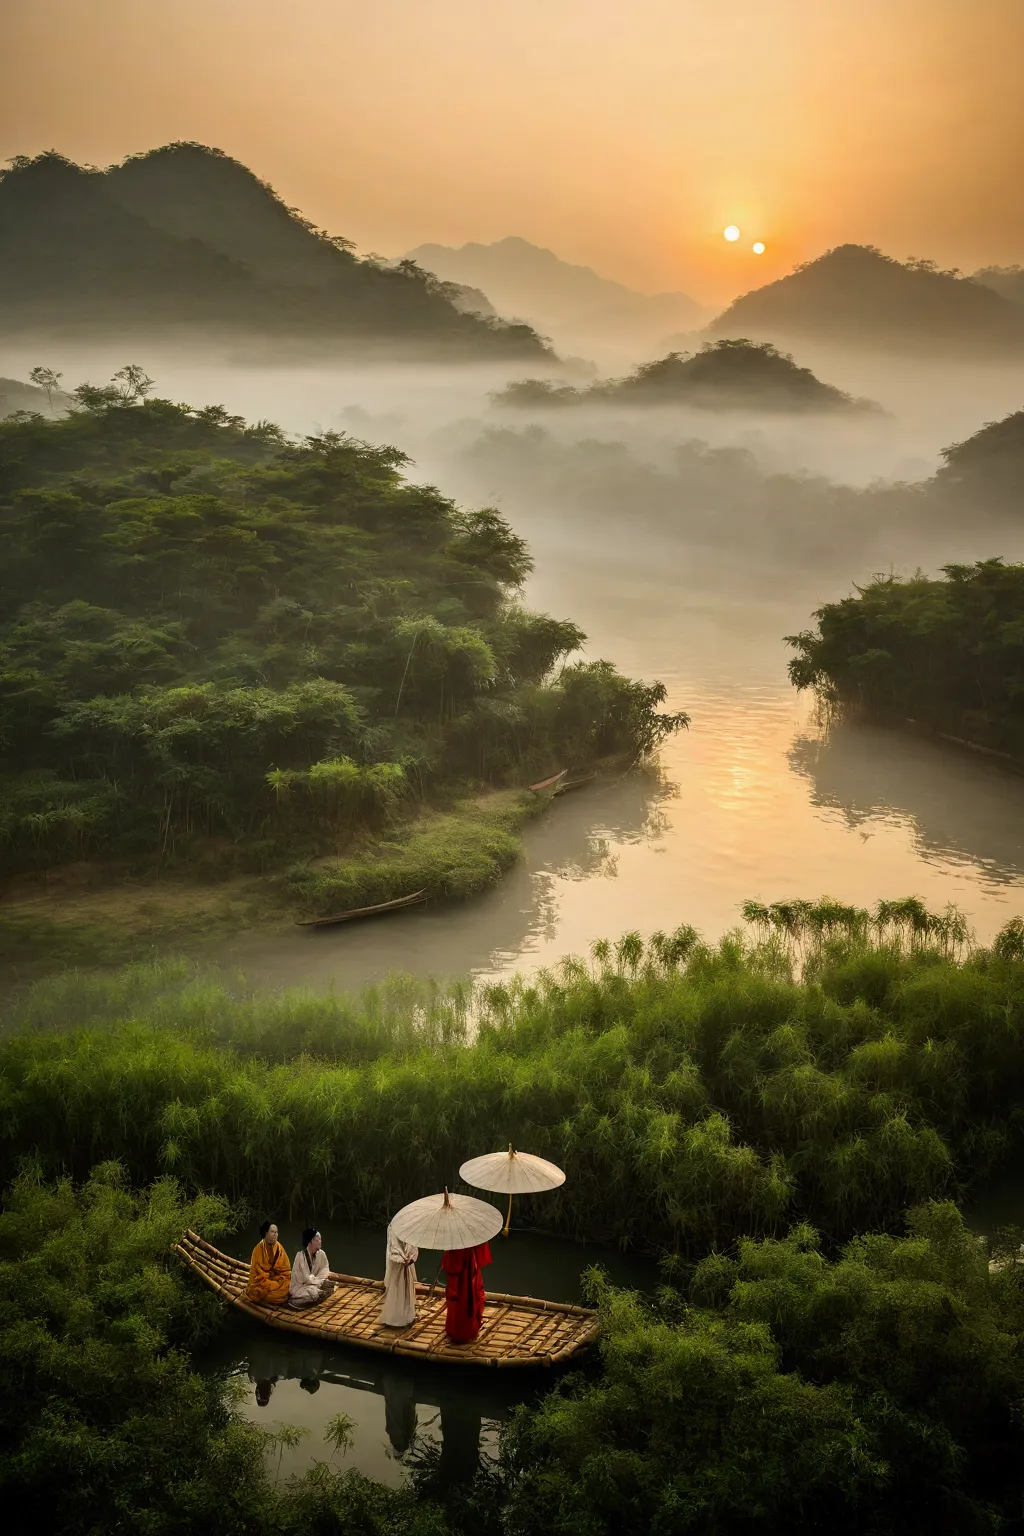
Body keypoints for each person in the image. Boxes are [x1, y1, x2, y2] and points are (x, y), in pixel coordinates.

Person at [441, 1241, 492, 1343]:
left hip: (461, 1277)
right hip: (471, 1267)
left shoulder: (455, 1240)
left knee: (459, 1303)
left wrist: (447, 1251)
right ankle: (470, 1330)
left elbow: (453, 1265)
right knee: (471, 1298)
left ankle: (459, 1332)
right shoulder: (471, 1237)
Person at [381, 1223, 419, 1327]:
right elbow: (392, 1249)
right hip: (398, 1267)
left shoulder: (410, 1228)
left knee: (406, 1290)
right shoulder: (393, 1228)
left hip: (406, 1264)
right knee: (398, 1290)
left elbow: (414, 1246)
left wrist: (411, 1259)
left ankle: (407, 1316)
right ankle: (396, 1318)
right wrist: (402, 1260)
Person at [246, 1220, 291, 1304]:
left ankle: (276, 1294)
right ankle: (275, 1296)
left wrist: (278, 1278)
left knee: (291, 1284)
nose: (275, 1234)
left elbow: (286, 1270)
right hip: (263, 1282)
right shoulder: (257, 1249)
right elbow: (255, 1274)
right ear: (266, 1233)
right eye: (272, 1232)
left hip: (277, 1279)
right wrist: (268, 1280)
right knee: (255, 1291)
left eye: (277, 1232)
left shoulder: (279, 1247)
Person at [288, 1227, 335, 1309]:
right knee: (311, 1295)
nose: (320, 1242)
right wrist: (317, 1282)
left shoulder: (321, 1254)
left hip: (315, 1283)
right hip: (301, 1287)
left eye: (320, 1240)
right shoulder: (300, 1256)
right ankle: (297, 1302)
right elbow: (305, 1279)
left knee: (330, 1286)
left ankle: (314, 1296)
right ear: (310, 1242)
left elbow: (325, 1269)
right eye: (317, 1240)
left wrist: (320, 1280)